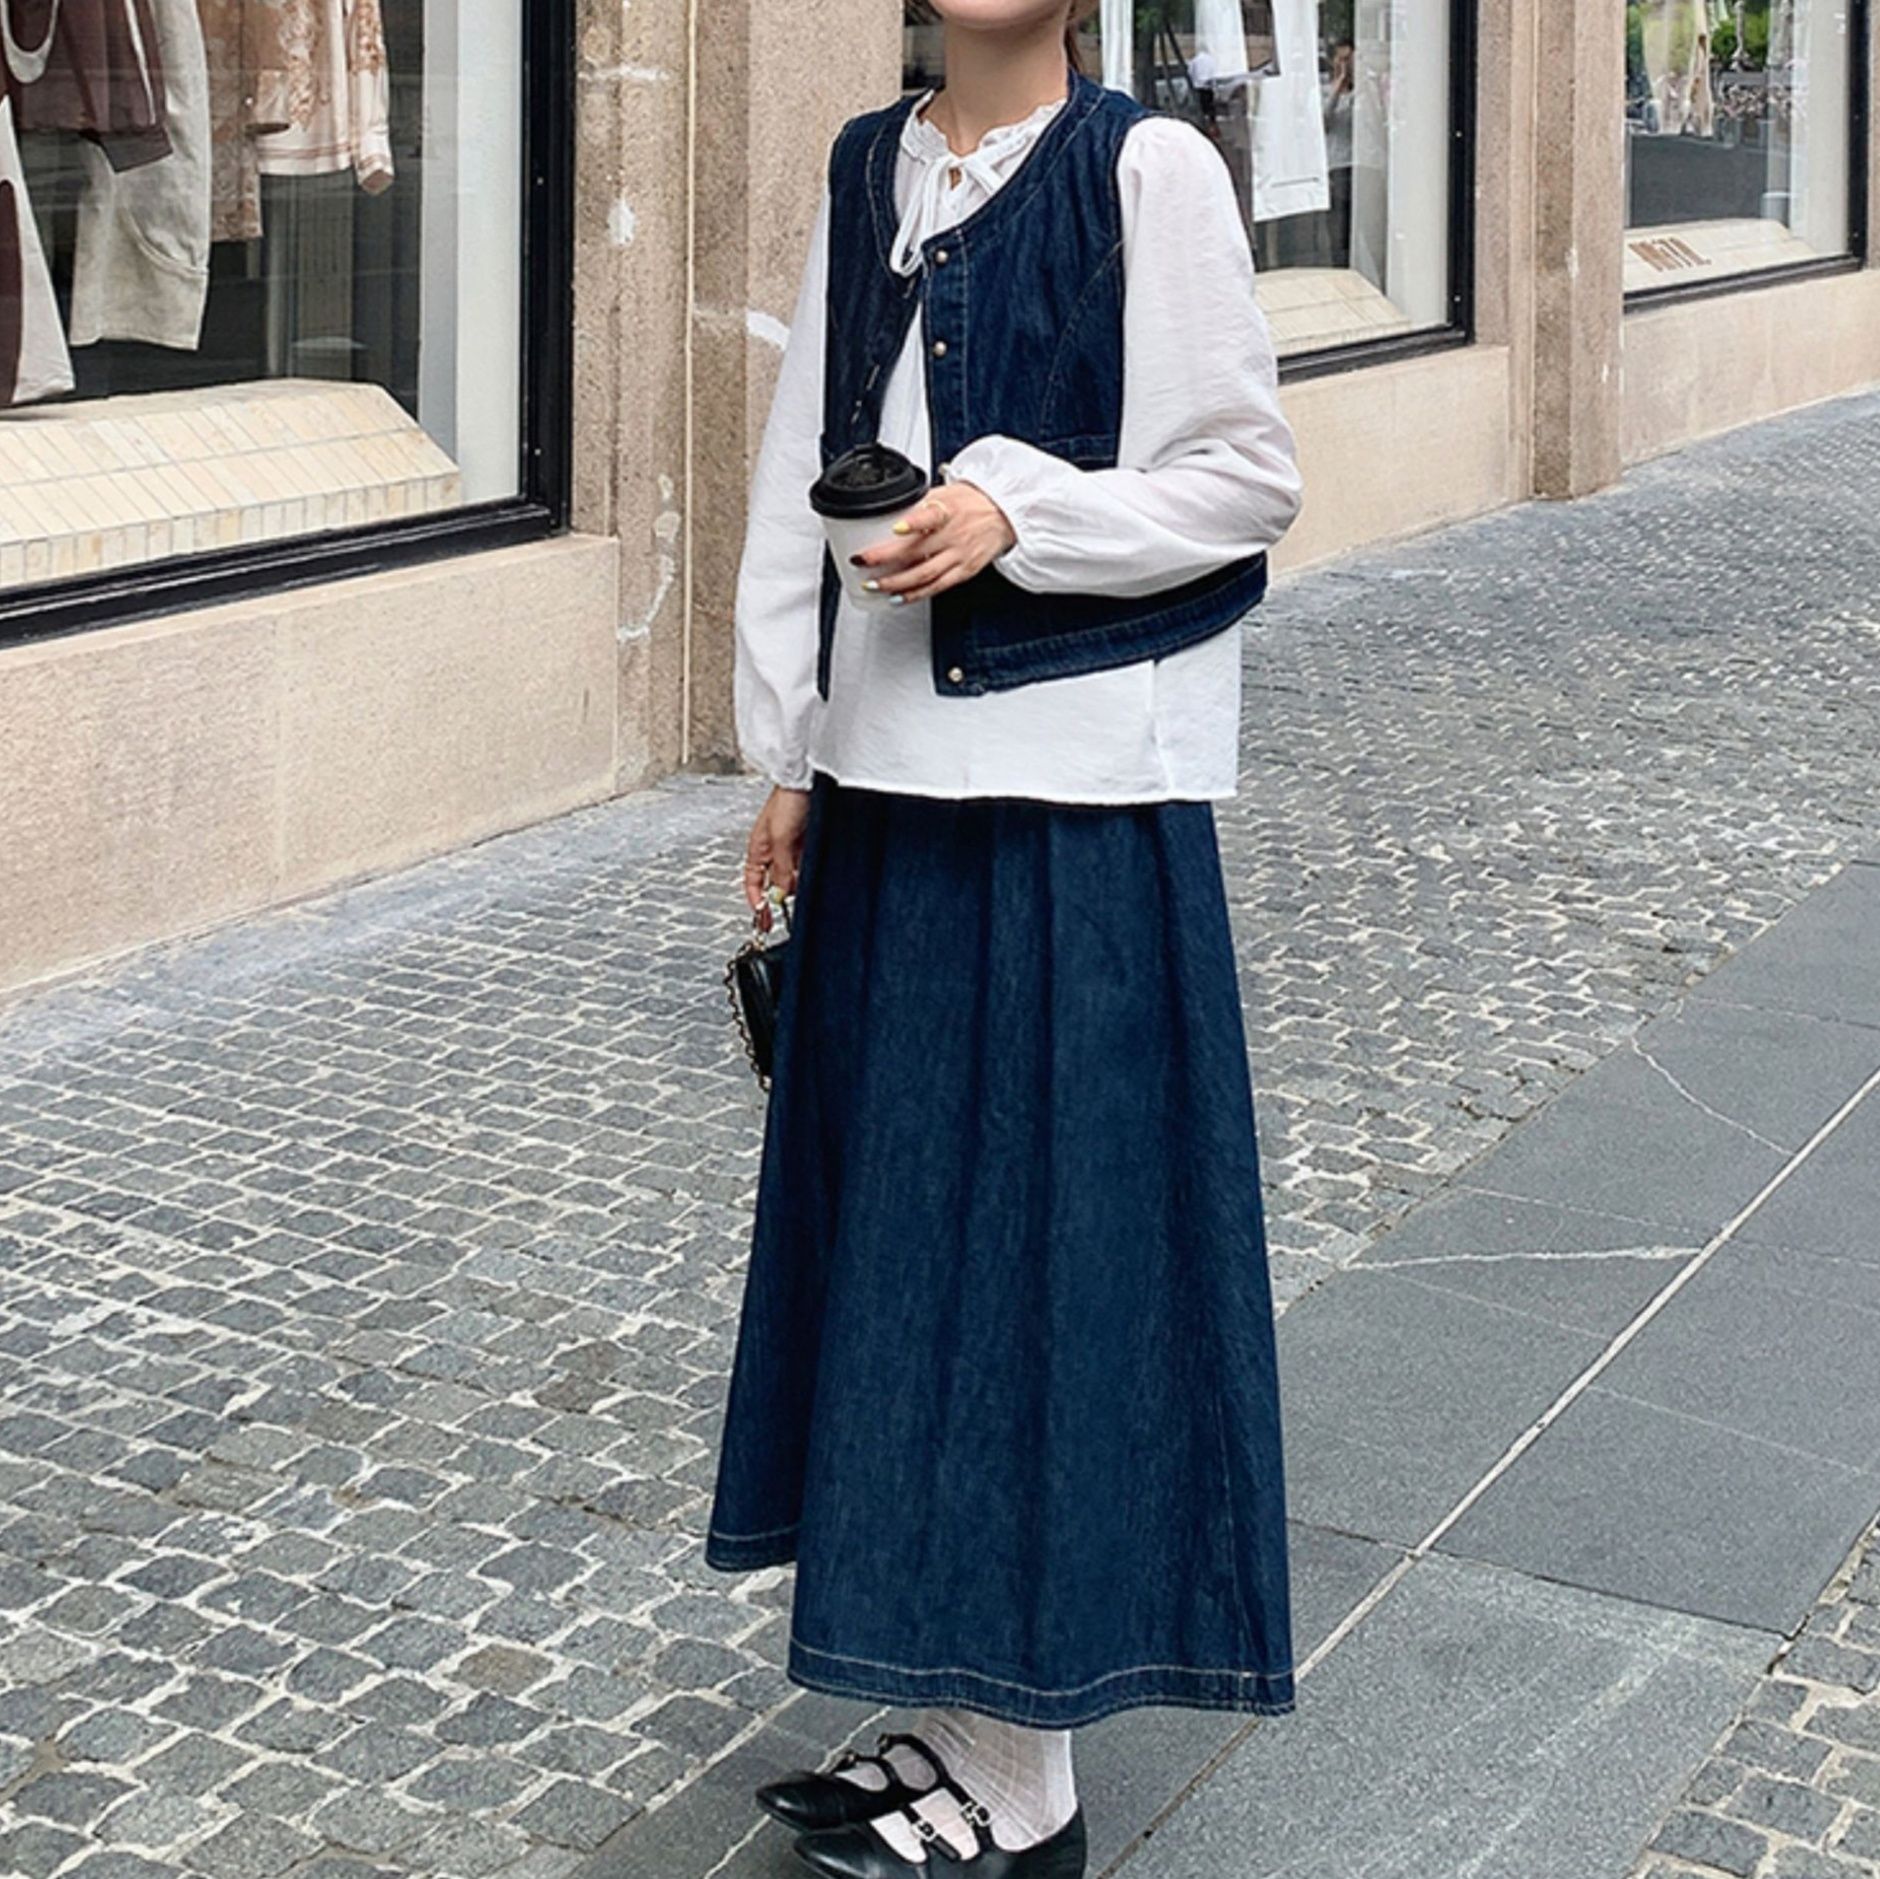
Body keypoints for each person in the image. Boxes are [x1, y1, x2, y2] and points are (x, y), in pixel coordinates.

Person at [709, 4, 1305, 1874]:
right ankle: (959, 1714)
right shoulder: (863, 167)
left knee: (1053, 1266)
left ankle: (1027, 1777)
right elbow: (799, 464)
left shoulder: (1151, 167)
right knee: (907, 1261)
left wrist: (1010, 512)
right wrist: (792, 746)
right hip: (889, 784)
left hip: (1074, 802)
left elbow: (1244, 478)